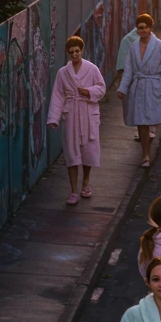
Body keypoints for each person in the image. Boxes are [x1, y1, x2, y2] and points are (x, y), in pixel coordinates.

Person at [47, 35, 105, 206]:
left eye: (77, 51)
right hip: (71, 113)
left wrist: (88, 91)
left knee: (88, 149)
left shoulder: (92, 69)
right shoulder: (63, 73)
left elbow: (101, 88)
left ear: (82, 50)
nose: (74, 54)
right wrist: (54, 118)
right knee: (71, 152)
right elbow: (57, 95)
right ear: (68, 53)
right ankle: (73, 190)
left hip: (88, 112)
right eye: (71, 52)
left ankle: (86, 181)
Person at [118, 13, 161, 167]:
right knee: (141, 123)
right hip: (138, 86)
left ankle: (148, 148)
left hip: (154, 85)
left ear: (150, 28)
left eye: (145, 28)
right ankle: (146, 155)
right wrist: (122, 88)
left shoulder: (160, 46)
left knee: (151, 121)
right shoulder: (133, 46)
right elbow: (128, 69)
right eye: (139, 28)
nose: (142, 31)